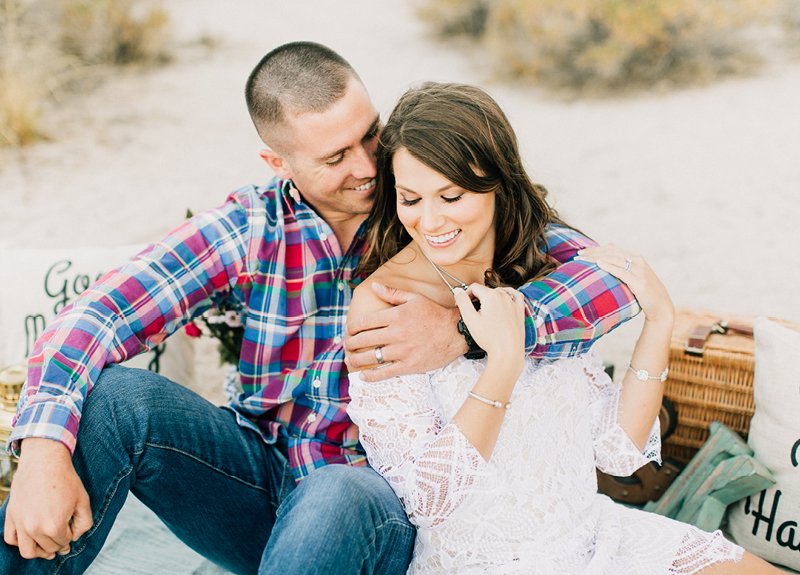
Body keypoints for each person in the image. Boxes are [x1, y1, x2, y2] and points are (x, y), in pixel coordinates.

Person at [1, 44, 638, 575]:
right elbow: (98, 315)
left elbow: (607, 282)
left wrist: (465, 334)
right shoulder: (249, 227)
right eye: (335, 158)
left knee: (333, 490)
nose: (368, 169)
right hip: (256, 479)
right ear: (278, 162)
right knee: (116, 400)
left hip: (378, 503)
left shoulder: (428, 203)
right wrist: (40, 450)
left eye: (370, 136)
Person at [346, 82, 783, 574]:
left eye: (451, 195)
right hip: (486, 563)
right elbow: (427, 501)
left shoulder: (548, 271)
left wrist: (659, 322)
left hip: (596, 538)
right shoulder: (384, 302)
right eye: (410, 199)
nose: (429, 221)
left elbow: (616, 451)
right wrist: (503, 365)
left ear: (499, 182)